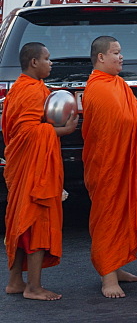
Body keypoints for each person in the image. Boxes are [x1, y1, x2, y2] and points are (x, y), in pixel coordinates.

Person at [3, 42, 78, 301]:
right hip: (33, 171)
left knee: (19, 221)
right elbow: (27, 132)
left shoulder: (19, 89)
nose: (51, 63)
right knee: (34, 221)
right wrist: (63, 131)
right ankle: (33, 287)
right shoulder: (32, 91)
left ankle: (15, 281)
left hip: (23, 164)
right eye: (47, 59)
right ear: (34, 62)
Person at [82, 36, 137, 298]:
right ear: (101, 57)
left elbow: (135, 117)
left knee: (123, 216)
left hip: (126, 162)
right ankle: (108, 275)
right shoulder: (98, 87)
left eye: (121, 52)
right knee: (108, 216)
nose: (121, 57)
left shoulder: (118, 84)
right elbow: (112, 128)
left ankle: (117, 266)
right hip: (108, 164)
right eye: (116, 53)